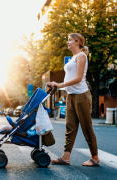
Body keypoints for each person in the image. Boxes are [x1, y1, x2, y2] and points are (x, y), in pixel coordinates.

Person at [47, 33, 100, 166]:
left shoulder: (82, 56)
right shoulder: (73, 58)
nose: (67, 42)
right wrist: (57, 84)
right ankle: (65, 157)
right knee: (70, 128)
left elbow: (78, 78)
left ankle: (95, 157)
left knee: (86, 127)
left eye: (69, 40)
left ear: (77, 42)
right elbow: (69, 77)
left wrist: (59, 85)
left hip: (81, 95)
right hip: (71, 96)